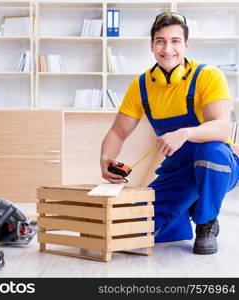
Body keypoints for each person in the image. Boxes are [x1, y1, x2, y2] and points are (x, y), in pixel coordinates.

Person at [100, 12, 239, 255]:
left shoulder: (207, 76)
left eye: (175, 41)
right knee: (134, 231)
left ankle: (206, 222)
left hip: (217, 165)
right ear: (152, 45)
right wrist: (105, 160)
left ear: (186, 45)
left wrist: (184, 133)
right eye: (160, 41)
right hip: (178, 169)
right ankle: (185, 212)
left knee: (211, 151)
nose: (168, 49)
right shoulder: (142, 86)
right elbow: (117, 132)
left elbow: (221, 127)